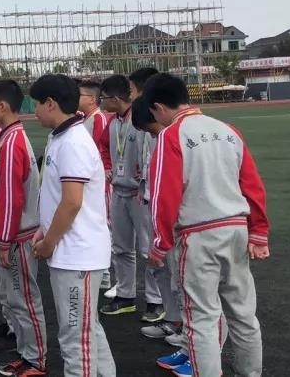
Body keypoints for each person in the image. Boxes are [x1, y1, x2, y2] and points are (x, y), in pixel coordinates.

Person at [145, 73, 269, 377]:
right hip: (236, 229)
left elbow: (165, 196)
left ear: (159, 107)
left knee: (201, 319)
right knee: (243, 314)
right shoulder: (228, 130)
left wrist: (160, 244)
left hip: (197, 234)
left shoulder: (171, 136)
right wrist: (259, 231)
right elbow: (252, 185)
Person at [29, 74, 115, 377]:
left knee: (76, 339)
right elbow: (58, 197)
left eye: (36, 104)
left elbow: (72, 202)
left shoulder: (73, 142)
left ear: (50, 103)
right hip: (72, 251)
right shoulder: (62, 138)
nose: (35, 112)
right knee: (87, 330)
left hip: (77, 254)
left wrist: (49, 242)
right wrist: (45, 229)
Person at [0, 81, 47, 377]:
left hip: (18, 237)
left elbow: (11, 198)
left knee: (25, 300)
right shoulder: (8, 137)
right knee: (18, 299)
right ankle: (27, 354)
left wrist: (4, 240)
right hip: (15, 234)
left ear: (3, 106)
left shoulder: (12, 142)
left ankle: (35, 360)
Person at [99, 75, 162, 321]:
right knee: (121, 248)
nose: (102, 102)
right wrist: (108, 167)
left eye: (104, 98)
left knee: (147, 250)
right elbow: (104, 147)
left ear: (115, 99)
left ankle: (156, 300)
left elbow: (153, 153)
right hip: (119, 191)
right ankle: (125, 295)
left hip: (139, 194)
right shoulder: (113, 123)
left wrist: (145, 183)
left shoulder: (141, 120)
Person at [131, 98, 187, 350]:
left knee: (180, 277)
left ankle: (187, 333)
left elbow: (172, 189)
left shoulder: (174, 137)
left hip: (176, 218)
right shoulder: (158, 136)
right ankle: (174, 320)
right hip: (152, 207)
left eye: (150, 129)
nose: (150, 134)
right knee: (162, 269)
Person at [77, 79, 116, 294]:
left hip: (99, 183)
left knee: (104, 224)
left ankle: (105, 275)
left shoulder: (98, 119)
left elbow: (99, 150)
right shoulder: (86, 119)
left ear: (92, 99)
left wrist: (104, 171)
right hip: (91, 181)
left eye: (80, 95)